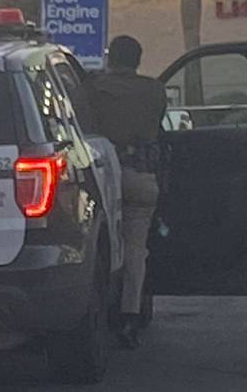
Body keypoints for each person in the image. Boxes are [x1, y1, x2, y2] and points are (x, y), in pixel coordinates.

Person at [88, 35, 167, 349]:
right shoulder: (154, 90)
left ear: (110, 58)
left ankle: (96, 308)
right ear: (137, 59)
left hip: (100, 175)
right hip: (140, 175)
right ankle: (129, 316)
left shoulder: (92, 89)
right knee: (135, 249)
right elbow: (157, 129)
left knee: (96, 245)